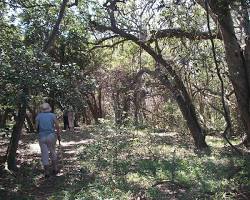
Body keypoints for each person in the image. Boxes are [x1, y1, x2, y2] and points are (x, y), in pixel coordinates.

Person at [35, 103, 61, 177]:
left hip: (42, 136)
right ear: (49, 108)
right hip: (51, 135)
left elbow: (36, 127)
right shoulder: (52, 115)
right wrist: (58, 135)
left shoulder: (38, 116)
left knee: (44, 153)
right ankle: (55, 169)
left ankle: (46, 172)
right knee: (52, 151)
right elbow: (57, 126)